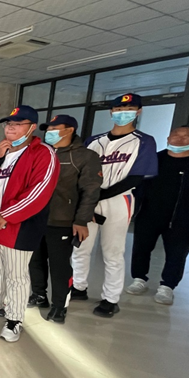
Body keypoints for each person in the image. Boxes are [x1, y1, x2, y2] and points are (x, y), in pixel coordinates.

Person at [0, 105, 59, 342]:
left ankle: (14, 319)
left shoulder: (43, 153)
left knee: (16, 275)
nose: (10, 128)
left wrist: (7, 215)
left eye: (18, 124)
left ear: (31, 127)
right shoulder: (2, 149)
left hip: (19, 223)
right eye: (8, 124)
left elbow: (40, 190)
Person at [71, 93, 158, 317]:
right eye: (118, 109)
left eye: (128, 109)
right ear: (111, 112)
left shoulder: (144, 141)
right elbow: (80, 171)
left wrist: (96, 196)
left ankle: (111, 299)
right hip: (89, 200)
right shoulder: (94, 141)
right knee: (80, 247)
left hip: (119, 200)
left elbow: (136, 178)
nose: (122, 113)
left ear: (138, 112)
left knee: (112, 252)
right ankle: (79, 287)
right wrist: (87, 198)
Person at [28, 115, 102, 323]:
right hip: (35, 218)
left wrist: (81, 221)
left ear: (69, 130)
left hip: (62, 220)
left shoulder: (85, 156)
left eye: (54, 128)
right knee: (35, 260)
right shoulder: (40, 152)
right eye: (48, 128)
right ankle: (39, 294)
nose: (49, 132)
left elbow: (91, 191)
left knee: (59, 266)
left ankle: (59, 305)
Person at [127, 125, 189, 305]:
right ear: (168, 138)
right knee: (141, 248)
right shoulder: (154, 160)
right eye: (176, 135)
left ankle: (167, 287)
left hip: (182, 218)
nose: (179, 139)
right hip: (148, 214)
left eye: (186, 136)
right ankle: (139, 279)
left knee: (177, 254)